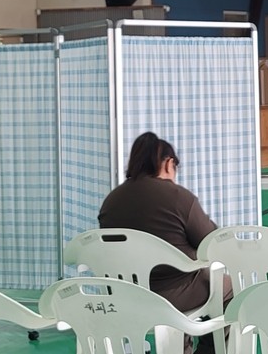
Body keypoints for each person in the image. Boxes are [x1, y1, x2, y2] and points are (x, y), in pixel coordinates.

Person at [98, 132, 232, 354]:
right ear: (169, 163)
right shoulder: (179, 197)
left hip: (125, 293)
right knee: (230, 289)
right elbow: (210, 242)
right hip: (173, 293)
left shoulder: (112, 200)